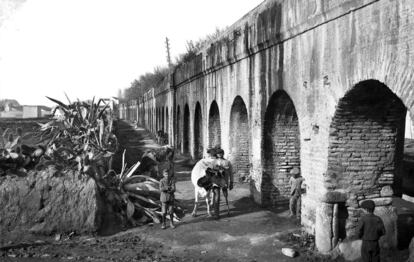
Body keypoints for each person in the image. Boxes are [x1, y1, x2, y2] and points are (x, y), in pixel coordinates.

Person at [215, 148, 234, 216]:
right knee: (217, 197)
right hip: (216, 182)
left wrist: (231, 182)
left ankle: (228, 210)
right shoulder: (214, 161)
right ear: (216, 154)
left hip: (224, 182)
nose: (219, 154)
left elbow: (231, 173)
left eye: (221, 153)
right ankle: (217, 213)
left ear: (223, 154)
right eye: (218, 153)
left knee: (225, 195)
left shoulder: (227, 162)